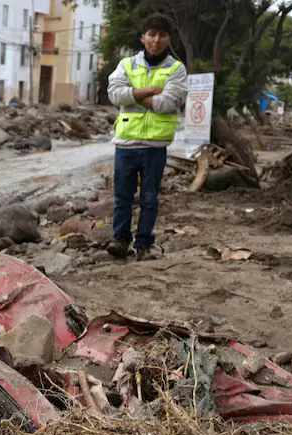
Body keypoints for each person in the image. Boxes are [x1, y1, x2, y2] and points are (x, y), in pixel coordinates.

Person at [106, 13, 188, 261]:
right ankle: (121, 240)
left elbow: (168, 103)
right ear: (143, 37)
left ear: (169, 39)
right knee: (122, 197)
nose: (156, 40)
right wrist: (150, 90)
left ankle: (144, 243)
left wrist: (132, 94)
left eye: (162, 35)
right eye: (152, 34)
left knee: (150, 198)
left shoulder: (176, 69)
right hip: (126, 142)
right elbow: (114, 95)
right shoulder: (127, 64)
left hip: (155, 144)